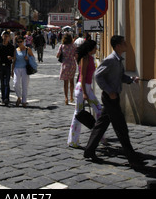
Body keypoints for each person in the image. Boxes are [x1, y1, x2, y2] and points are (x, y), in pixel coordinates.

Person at [83, 35, 140, 166]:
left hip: (113, 96)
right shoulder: (111, 60)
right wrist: (109, 91)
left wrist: (131, 80)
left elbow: (119, 76)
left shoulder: (118, 60)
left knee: (101, 125)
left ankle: (89, 150)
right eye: (124, 43)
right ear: (118, 46)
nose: (126, 44)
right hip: (110, 97)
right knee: (121, 128)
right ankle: (132, 157)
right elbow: (98, 75)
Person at [68, 40, 105, 148]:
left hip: (87, 87)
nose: (96, 49)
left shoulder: (91, 58)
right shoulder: (84, 58)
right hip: (81, 88)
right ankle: (73, 140)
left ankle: (99, 136)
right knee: (78, 114)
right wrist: (85, 92)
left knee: (99, 110)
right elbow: (83, 76)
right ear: (90, 48)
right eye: (95, 48)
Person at [12, 35, 35, 108]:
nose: (19, 43)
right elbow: (14, 61)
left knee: (25, 85)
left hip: (25, 68)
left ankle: (24, 101)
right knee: (15, 84)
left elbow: (33, 58)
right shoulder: (16, 50)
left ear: (23, 41)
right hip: (17, 68)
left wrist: (28, 58)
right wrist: (12, 70)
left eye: (21, 41)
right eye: (18, 42)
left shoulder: (27, 49)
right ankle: (19, 97)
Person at [0, 31, 15, 106]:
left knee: (7, 83)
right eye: (4, 36)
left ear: (9, 37)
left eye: (7, 36)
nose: (5, 37)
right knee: (2, 83)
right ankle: (3, 98)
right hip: (0, 66)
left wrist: (11, 57)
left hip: (7, 66)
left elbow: (14, 57)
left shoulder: (11, 47)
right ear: (2, 36)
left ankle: (7, 98)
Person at [57, 33, 77, 105]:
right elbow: (76, 55)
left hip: (65, 64)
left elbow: (57, 55)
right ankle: (71, 96)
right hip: (72, 64)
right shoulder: (73, 46)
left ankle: (66, 98)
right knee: (72, 81)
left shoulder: (62, 46)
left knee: (65, 82)